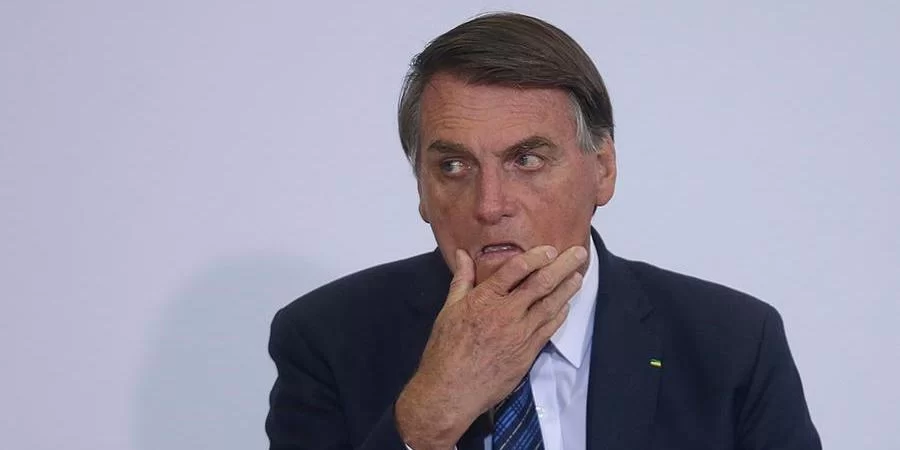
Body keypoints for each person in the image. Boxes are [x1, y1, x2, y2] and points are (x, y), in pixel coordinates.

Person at [265, 12, 821, 450]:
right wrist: (427, 420)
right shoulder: (326, 338)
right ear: (421, 189)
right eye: (453, 166)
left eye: (527, 160)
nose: (490, 206)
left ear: (603, 169)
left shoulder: (732, 343)